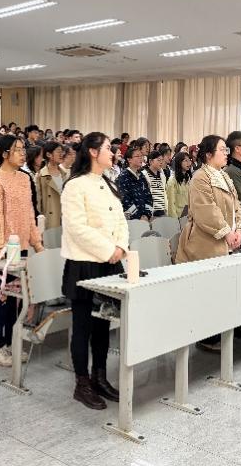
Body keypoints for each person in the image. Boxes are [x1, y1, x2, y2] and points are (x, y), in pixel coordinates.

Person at [61, 132, 128, 409]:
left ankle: (100, 377)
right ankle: (82, 383)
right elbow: (77, 228)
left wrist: (120, 247)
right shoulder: (75, 185)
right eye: (108, 148)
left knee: (103, 324)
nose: (113, 153)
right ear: (92, 151)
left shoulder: (107, 182)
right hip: (84, 263)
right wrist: (109, 249)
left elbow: (121, 221)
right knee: (83, 327)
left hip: (110, 262)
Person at [176, 135, 241, 351]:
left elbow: (236, 205)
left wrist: (238, 228)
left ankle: (220, 331)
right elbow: (206, 210)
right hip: (205, 241)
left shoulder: (224, 176)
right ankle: (206, 337)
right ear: (208, 155)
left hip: (227, 240)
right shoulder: (200, 177)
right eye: (222, 150)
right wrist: (226, 232)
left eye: (226, 149)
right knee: (208, 291)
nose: (226, 153)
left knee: (222, 290)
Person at [0, 135, 43, 366]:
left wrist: (37, 243)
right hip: (1, 251)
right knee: (0, 299)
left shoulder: (25, 178)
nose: (23, 153)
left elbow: (30, 215)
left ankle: (10, 343)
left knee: (17, 300)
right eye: (17, 149)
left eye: (23, 149)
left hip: (22, 248)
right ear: (4, 154)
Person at [35, 141, 68, 230]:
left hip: (65, 217)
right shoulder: (41, 175)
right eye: (58, 151)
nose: (61, 154)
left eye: (62, 152)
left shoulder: (64, 174)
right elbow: (38, 201)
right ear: (49, 154)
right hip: (50, 219)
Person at [116, 146, 153, 221]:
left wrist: (147, 215)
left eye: (141, 156)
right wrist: (138, 216)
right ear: (129, 160)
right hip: (131, 219)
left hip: (145, 219)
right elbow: (125, 199)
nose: (141, 158)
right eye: (137, 156)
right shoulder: (123, 177)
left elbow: (148, 196)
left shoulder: (142, 176)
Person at [165, 151, 192, 218]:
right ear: (179, 162)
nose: (189, 163)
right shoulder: (172, 180)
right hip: (178, 216)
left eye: (189, 160)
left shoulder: (188, 178)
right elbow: (171, 203)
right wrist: (175, 220)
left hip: (188, 215)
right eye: (185, 160)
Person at [142, 150, 168, 217]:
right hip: (151, 212)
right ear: (151, 161)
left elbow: (163, 193)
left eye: (162, 160)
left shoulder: (162, 176)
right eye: (158, 160)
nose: (161, 162)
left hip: (162, 211)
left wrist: (165, 209)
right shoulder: (144, 175)